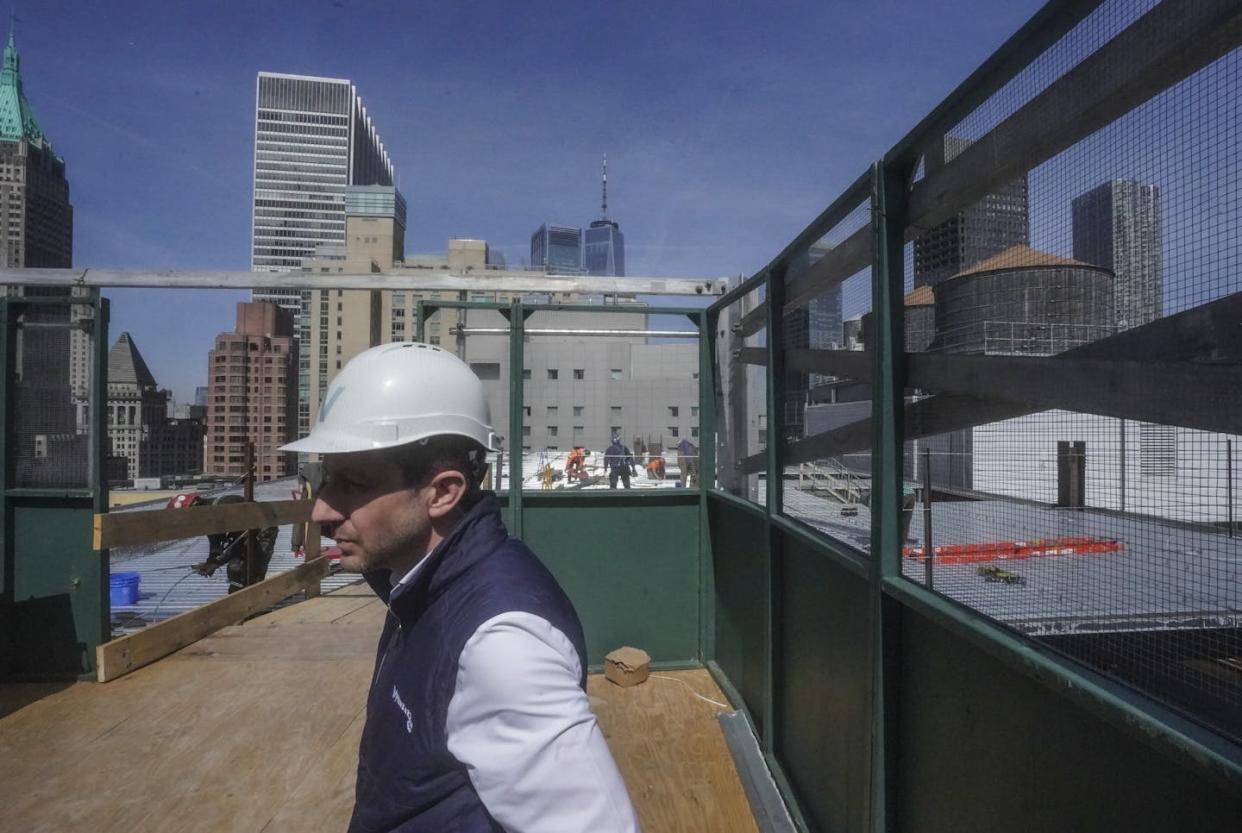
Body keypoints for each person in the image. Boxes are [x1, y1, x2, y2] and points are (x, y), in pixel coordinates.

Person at [282, 343, 639, 833]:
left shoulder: (501, 643)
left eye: (354, 483)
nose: (321, 510)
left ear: (444, 492)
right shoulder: (417, 585)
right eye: (323, 477)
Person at [169, 493, 278, 592]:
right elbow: (215, 543)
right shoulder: (207, 516)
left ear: (194, 508)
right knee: (235, 568)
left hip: (263, 530)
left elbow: (238, 541)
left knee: (254, 567)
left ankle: (255, 602)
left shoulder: (224, 507)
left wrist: (215, 563)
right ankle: (237, 598)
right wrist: (210, 561)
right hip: (244, 534)